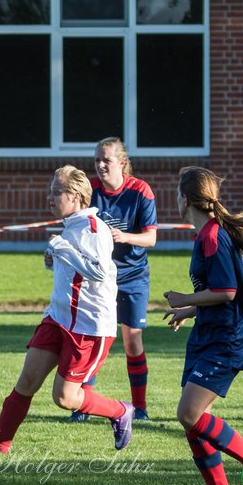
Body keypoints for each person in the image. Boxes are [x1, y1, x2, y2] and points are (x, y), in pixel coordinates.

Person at [0, 166, 135, 455]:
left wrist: (62, 249)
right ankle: (0, 446)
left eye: (56, 192)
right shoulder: (70, 227)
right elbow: (73, 270)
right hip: (58, 318)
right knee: (26, 381)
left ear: (75, 196)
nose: (50, 198)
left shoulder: (93, 228)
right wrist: (53, 258)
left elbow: (99, 272)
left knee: (64, 398)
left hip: (88, 327)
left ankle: (120, 411)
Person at [164, 167, 243, 485]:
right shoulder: (207, 234)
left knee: (190, 414)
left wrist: (185, 298)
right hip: (208, 333)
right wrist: (189, 311)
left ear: (184, 199)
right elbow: (218, 292)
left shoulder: (212, 236)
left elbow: (226, 291)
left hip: (226, 338)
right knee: (190, 419)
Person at [69, 138, 157, 423]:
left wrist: (124, 236)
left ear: (122, 162)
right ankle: (82, 405)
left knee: (132, 341)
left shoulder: (140, 190)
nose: (100, 165)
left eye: (106, 159)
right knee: (94, 337)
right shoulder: (90, 190)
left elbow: (151, 238)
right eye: (97, 160)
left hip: (133, 276)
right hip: (99, 277)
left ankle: (140, 407)